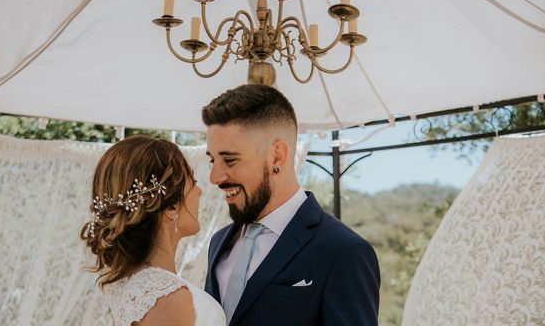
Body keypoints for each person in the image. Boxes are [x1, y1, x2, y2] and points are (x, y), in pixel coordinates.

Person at [202, 84, 380, 326]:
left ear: (276, 155)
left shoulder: (343, 252)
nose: (215, 177)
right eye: (212, 159)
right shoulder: (218, 243)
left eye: (229, 159)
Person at [80, 135, 225, 325]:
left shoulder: (135, 285)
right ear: (171, 206)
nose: (200, 191)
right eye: (193, 181)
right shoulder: (167, 298)